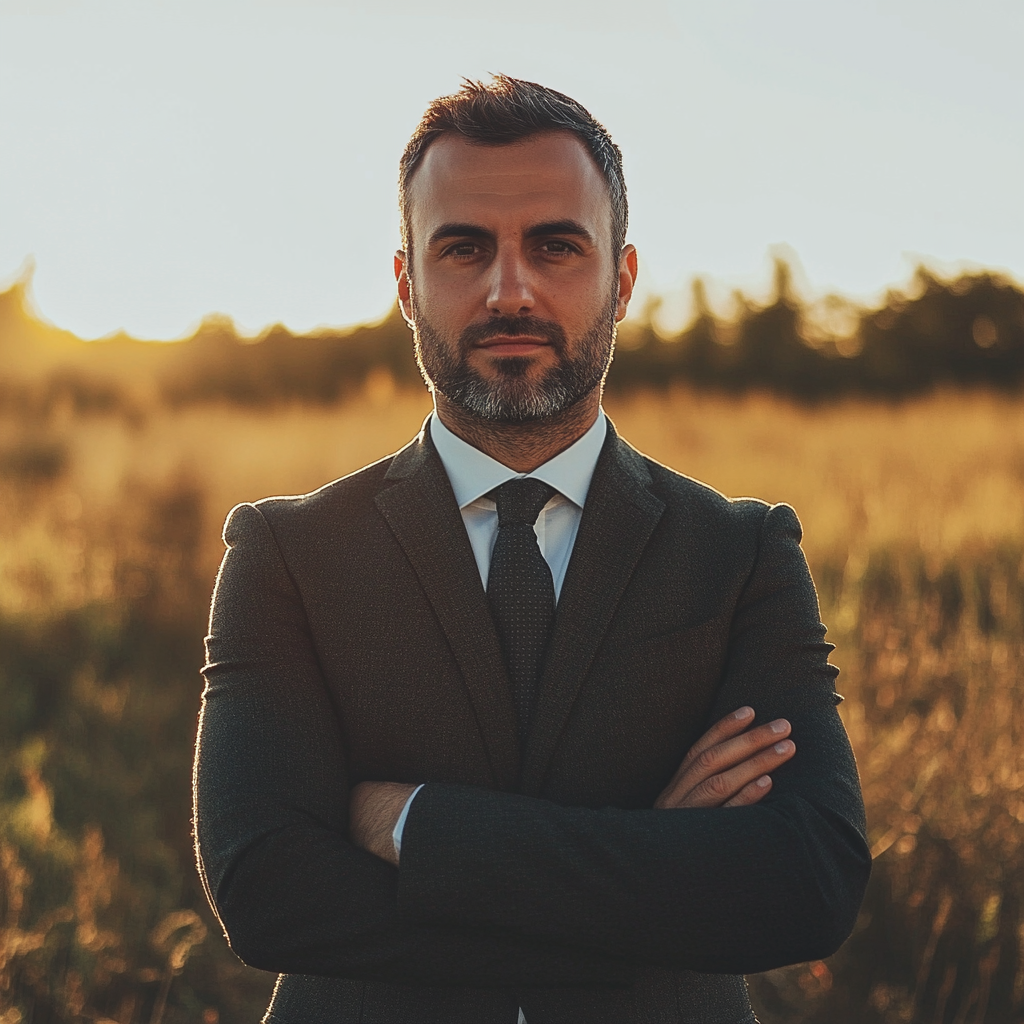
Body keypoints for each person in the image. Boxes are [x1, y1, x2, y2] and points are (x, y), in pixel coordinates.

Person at [193, 76, 870, 1024]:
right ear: (406, 284)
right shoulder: (287, 555)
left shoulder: (741, 554)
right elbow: (270, 895)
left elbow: (807, 881)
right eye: (464, 247)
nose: (511, 289)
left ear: (622, 279)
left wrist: (416, 825)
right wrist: (654, 861)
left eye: (556, 245)